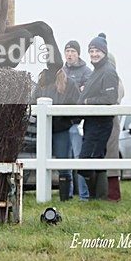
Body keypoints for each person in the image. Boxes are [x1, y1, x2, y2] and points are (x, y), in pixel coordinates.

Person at [77, 33, 119, 200]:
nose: (94, 54)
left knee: (87, 160)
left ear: (104, 53)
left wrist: (87, 101)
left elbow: (110, 99)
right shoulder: (97, 70)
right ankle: (97, 198)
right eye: (91, 51)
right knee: (94, 158)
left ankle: (98, 197)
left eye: (97, 51)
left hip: (100, 123)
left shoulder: (108, 71)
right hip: (91, 123)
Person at [33, 68, 81, 201]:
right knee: (41, 162)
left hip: (62, 129)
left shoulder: (69, 83)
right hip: (44, 129)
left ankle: (66, 197)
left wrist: (68, 121)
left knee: (63, 164)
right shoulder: (42, 81)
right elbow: (34, 101)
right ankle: (43, 195)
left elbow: (76, 105)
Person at [63, 40, 92, 200]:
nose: (70, 54)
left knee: (79, 158)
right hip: (62, 122)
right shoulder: (61, 71)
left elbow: (86, 91)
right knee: (64, 159)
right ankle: (67, 195)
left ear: (78, 54)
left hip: (77, 123)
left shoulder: (86, 71)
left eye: (73, 51)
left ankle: (84, 196)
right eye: (67, 51)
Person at [106, 53, 126, 201]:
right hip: (99, 124)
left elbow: (114, 99)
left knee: (111, 157)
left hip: (111, 122)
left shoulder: (115, 81)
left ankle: (113, 194)